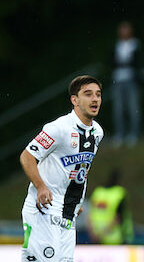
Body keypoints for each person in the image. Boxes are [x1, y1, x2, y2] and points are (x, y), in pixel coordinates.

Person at [20, 75, 105, 262]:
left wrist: (77, 196)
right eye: (88, 94)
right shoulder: (58, 128)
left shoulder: (97, 132)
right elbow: (27, 156)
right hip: (44, 209)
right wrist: (41, 186)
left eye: (98, 95)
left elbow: (81, 167)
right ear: (74, 100)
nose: (95, 99)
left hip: (69, 213)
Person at [111, 21, 142, 146]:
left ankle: (133, 134)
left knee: (133, 108)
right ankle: (120, 134)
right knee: (118, 109)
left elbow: (136, 62)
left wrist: (123, 63)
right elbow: (113, 62)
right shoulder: (116, 45)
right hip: (118, 80)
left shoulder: (135, 44)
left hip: (131, 80)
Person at [87, 170, 134, 244]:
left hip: (95, 237)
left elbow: (89, 215)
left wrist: (93, 234)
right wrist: (102, 234)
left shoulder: (98, 192)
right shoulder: (119, 193)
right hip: (115, 239)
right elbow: (118, 218)